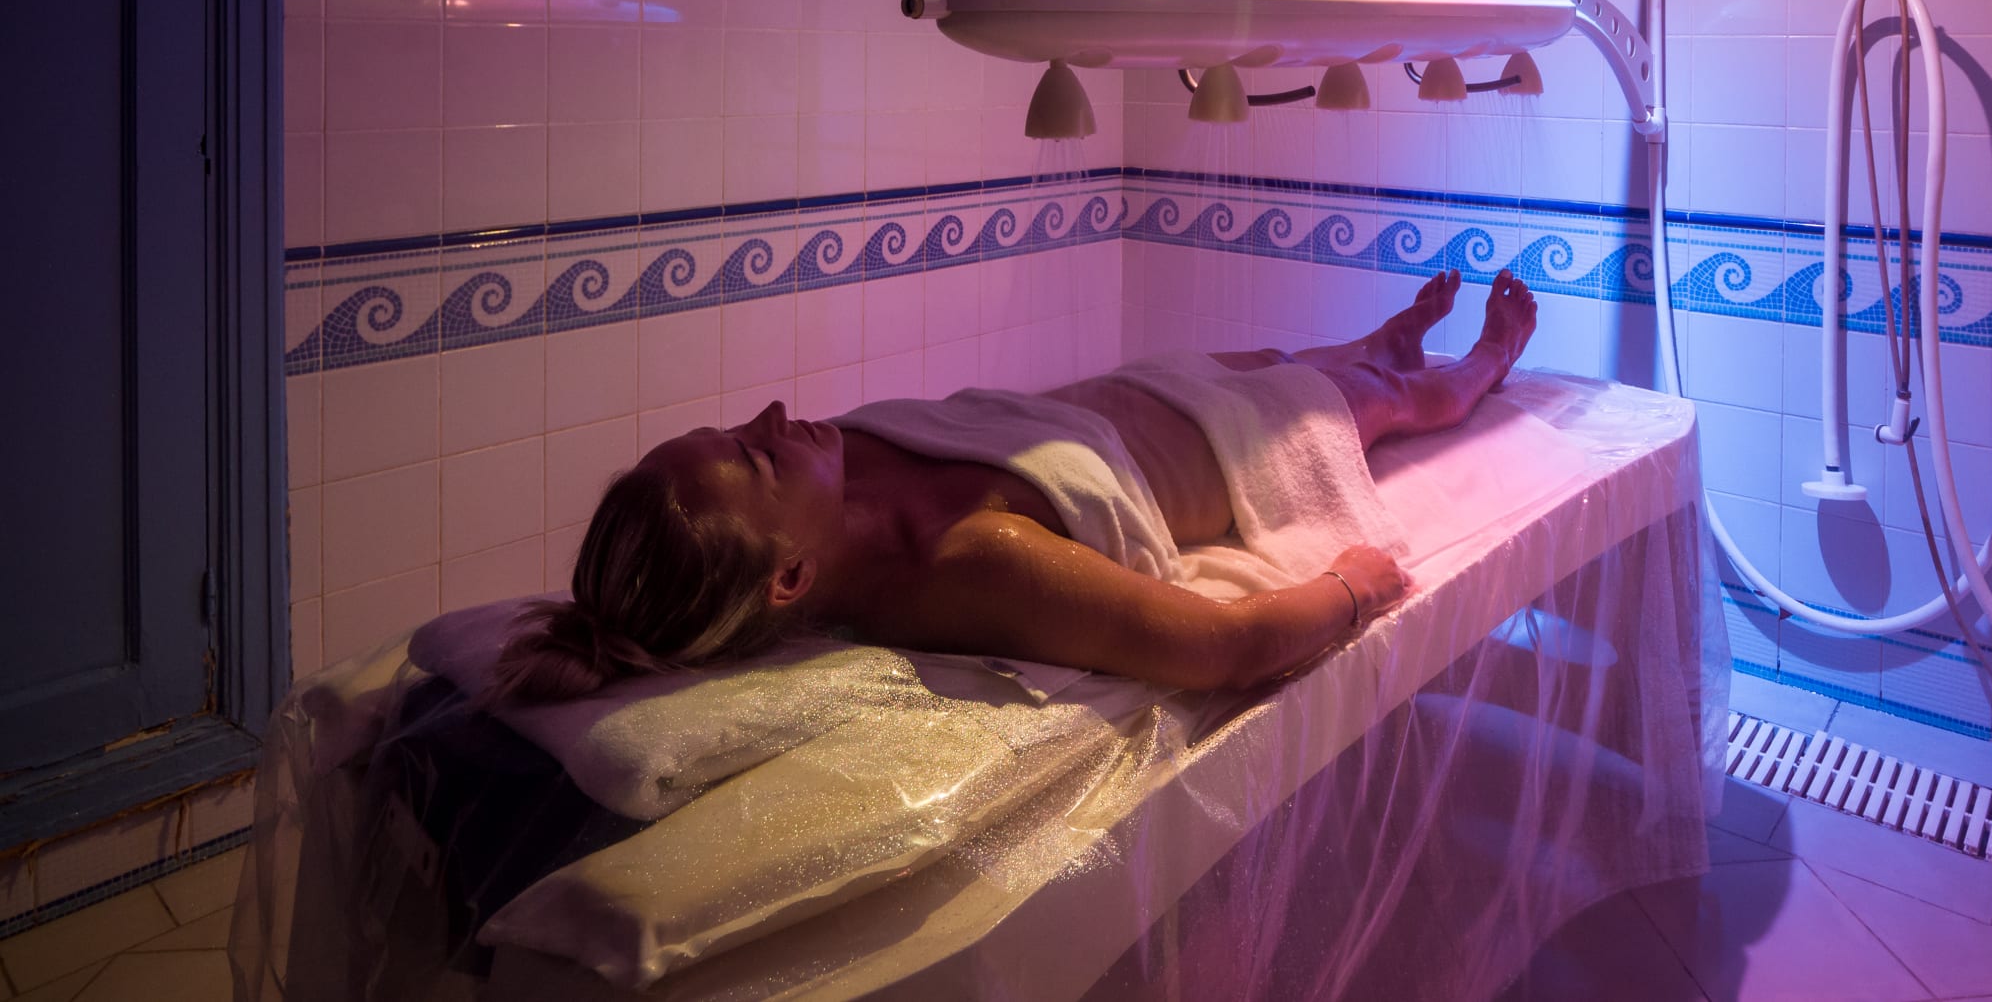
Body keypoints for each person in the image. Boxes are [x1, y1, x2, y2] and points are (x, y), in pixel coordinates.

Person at [495, 269, 1539, 699]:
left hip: (1122, 400)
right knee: (1381, 402)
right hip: (1222, 453)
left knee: (1281, 357)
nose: (769, 416)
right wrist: (1352, 587)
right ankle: (1477, 366)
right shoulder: (965, 564)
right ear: (789, 578)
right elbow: (1218, 647)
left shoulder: (832, 485)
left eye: (734, 430)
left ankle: (1377, 341)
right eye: (758, 457)